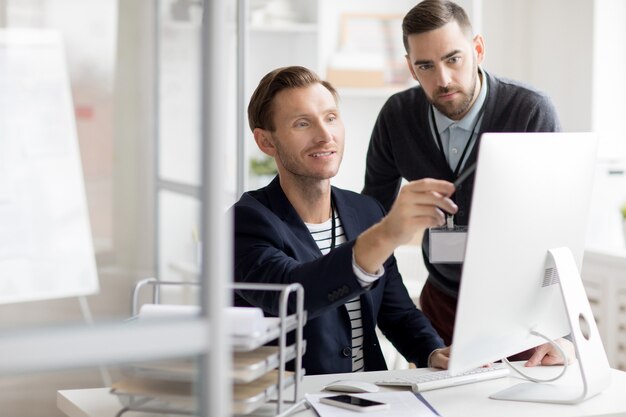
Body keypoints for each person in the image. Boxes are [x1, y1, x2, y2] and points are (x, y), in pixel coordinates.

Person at [362, 0, 571, 366]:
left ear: (477, 49)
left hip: (518, 310)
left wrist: (558, 327)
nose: (442, 79)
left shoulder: (530, 110)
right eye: (426, 66)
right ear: (411, 68)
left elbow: (556, 226)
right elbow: (368, 215)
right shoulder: (397, 116)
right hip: (439, 301)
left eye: (453, 59)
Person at [231, 65, 459, 375]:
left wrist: (433, 351)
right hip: (293, 402)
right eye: (302, 123)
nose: (325, 136)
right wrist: (386, 234)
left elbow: (397, 313)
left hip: (369, 397)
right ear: (266, 142)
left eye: (330, 118)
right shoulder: (246, 222)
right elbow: (295, 294)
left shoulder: (365, 211)